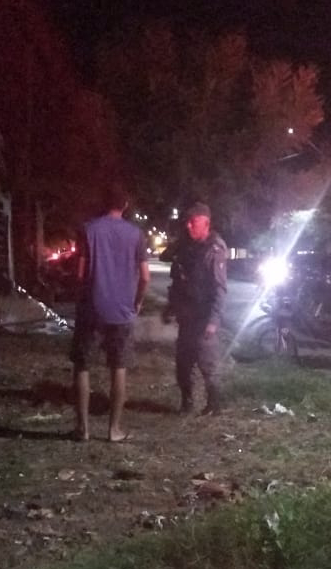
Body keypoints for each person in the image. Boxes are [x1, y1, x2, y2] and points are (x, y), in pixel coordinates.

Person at [69, 185, 150, 441]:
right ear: (125, 205)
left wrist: (81, 298)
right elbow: (145, 277)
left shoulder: (88, 229)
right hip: (122, 311)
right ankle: (114, 430)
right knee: (119, 367)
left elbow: (80, 275)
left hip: (91, 309)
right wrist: (137, 301)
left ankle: (83, 429)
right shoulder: (136, 234)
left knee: (82, 366)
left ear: (104, 203)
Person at [162, 202, 227, 415]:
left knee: (208, 363)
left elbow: (219, 289)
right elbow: (177, 279)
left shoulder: (214, 249)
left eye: (194, 222)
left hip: (204, 316)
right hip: (187, 314)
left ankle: (214, 405)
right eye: (187, 222)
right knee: (183, 363)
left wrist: (213, 321)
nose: (188, 226)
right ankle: (187, 403)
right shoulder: (186, 247)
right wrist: (171, 307)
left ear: (206, 223)